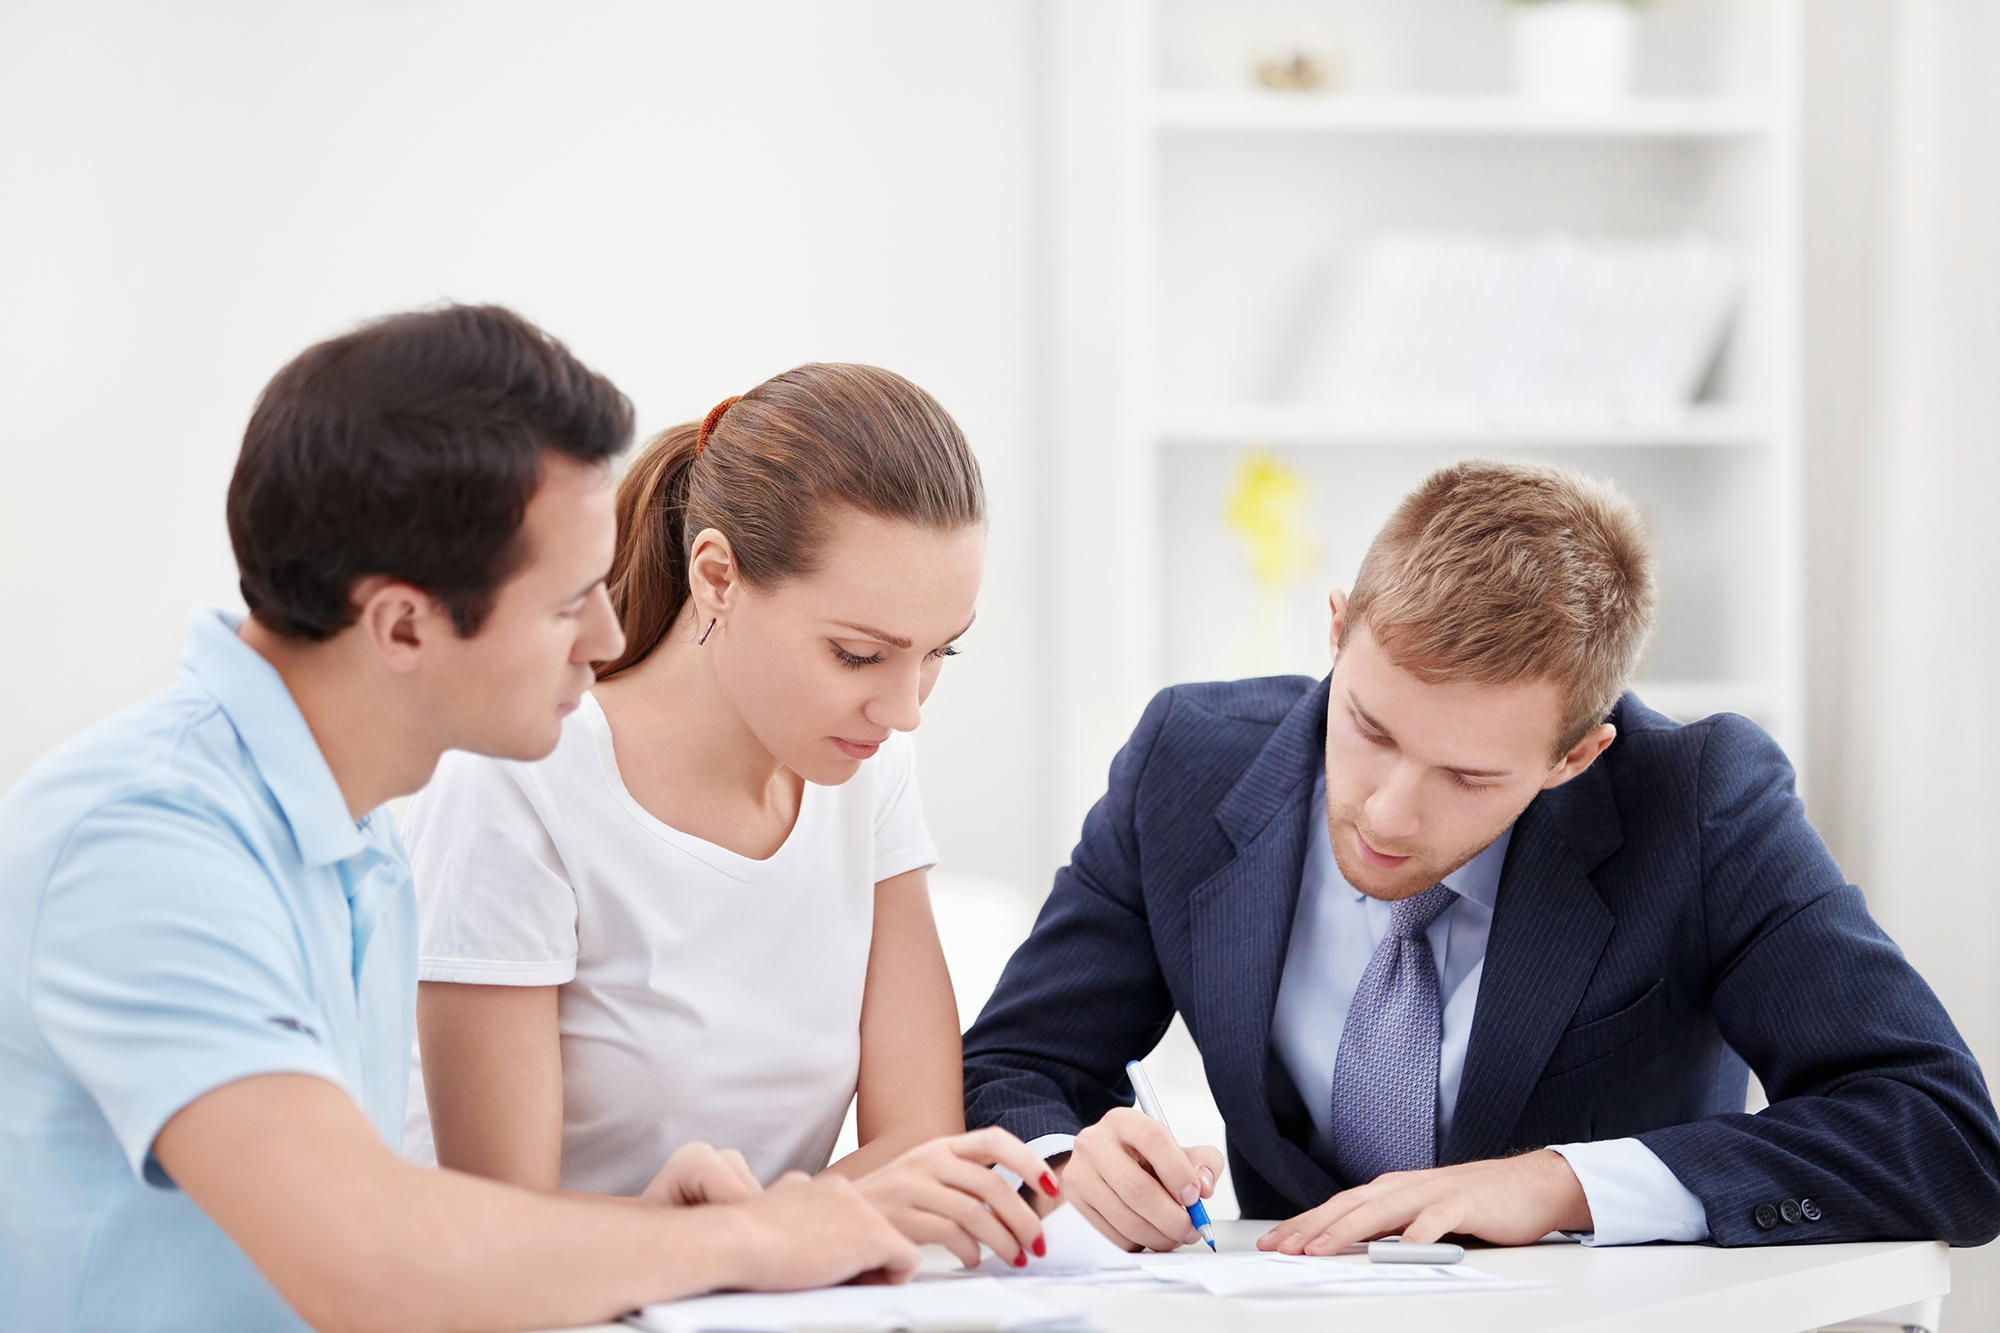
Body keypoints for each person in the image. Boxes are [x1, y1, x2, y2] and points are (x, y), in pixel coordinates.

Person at [0, 306, 923, 1333]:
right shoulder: (142, 843)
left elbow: (394, 1216)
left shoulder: (354, 841)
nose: (609, 634)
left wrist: (635, 1239)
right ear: (402, 624)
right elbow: (365, 1262)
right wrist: (744, 1241)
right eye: (569, 602)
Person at [962, 460, 2000, 1255]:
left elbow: (1943, 1138)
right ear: (1336, 631)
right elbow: (1012, 1064)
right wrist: (1067, 1158)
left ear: (1574, 755)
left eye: (1466, 777)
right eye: (1366, 726)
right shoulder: (1186, 762)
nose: (1386, 810)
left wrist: (1557, 1185)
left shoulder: (1696, 805)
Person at [404, 363, 1055, 1271]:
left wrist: (763, 1241)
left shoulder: (870, 772)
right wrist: (766, 1236)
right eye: (858, 653)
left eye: (939, 651)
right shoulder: (518, 781)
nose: (905, 708)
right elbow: (503, 1234)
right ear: (717, 575)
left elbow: (919, 1138)